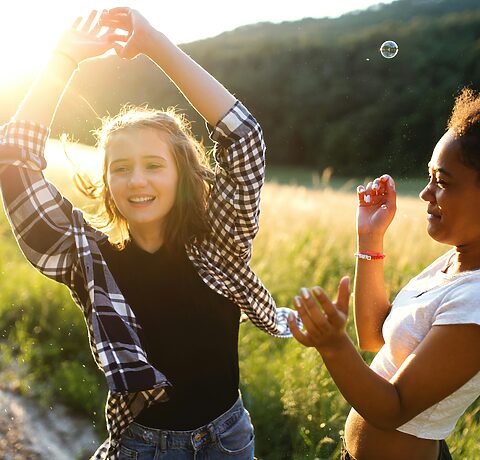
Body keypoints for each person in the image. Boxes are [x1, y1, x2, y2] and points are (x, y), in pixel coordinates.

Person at [0, 8, 294, 460]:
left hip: (229, 439)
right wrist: (63, 60)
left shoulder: (220, 240)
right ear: (108, 184)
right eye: (121, 169)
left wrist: (156, 44)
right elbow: (14, 160)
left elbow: (244, 137)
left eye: (154, 165)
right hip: (144, 448)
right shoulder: (88, 257)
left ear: (183, 174)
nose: (137, 180)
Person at [288, 88, 480, 460]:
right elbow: (375, 336)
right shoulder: (452, 263)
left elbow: (391, 409)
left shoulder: (476, 304)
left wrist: (331, 344)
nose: (426, 193)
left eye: (443, 181)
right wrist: (370, 235)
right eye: (429, 176)